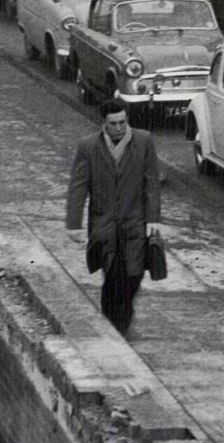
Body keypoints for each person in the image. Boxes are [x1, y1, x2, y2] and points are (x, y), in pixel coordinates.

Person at [65, 100, 161, 333]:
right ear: (104, 124)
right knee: (113, 273)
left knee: (134, 274)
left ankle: (121, 314)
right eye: (113, 124)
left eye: (122, 122)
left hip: (134, 222)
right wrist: (74, 223)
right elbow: (78, 186)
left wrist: (153, 218)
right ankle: (116, 323)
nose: (119, 128)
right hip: (104, 224)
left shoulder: (143, 142)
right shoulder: (88, 147)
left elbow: (152, 183)